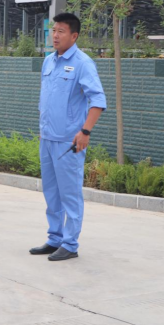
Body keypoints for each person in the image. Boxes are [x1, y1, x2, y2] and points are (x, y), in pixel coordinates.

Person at [31, 13, 107, 262]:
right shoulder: (48, 62)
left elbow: (97, 100)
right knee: (51, 193)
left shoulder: (83, 63)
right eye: (53, 30)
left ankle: (70, 243)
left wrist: (85, 131)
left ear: (74, 36)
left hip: (69, 141)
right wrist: (43, 130)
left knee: (70, 194)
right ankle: (55, 239)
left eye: (61, 31)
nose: (55, 35)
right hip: (47, 138)